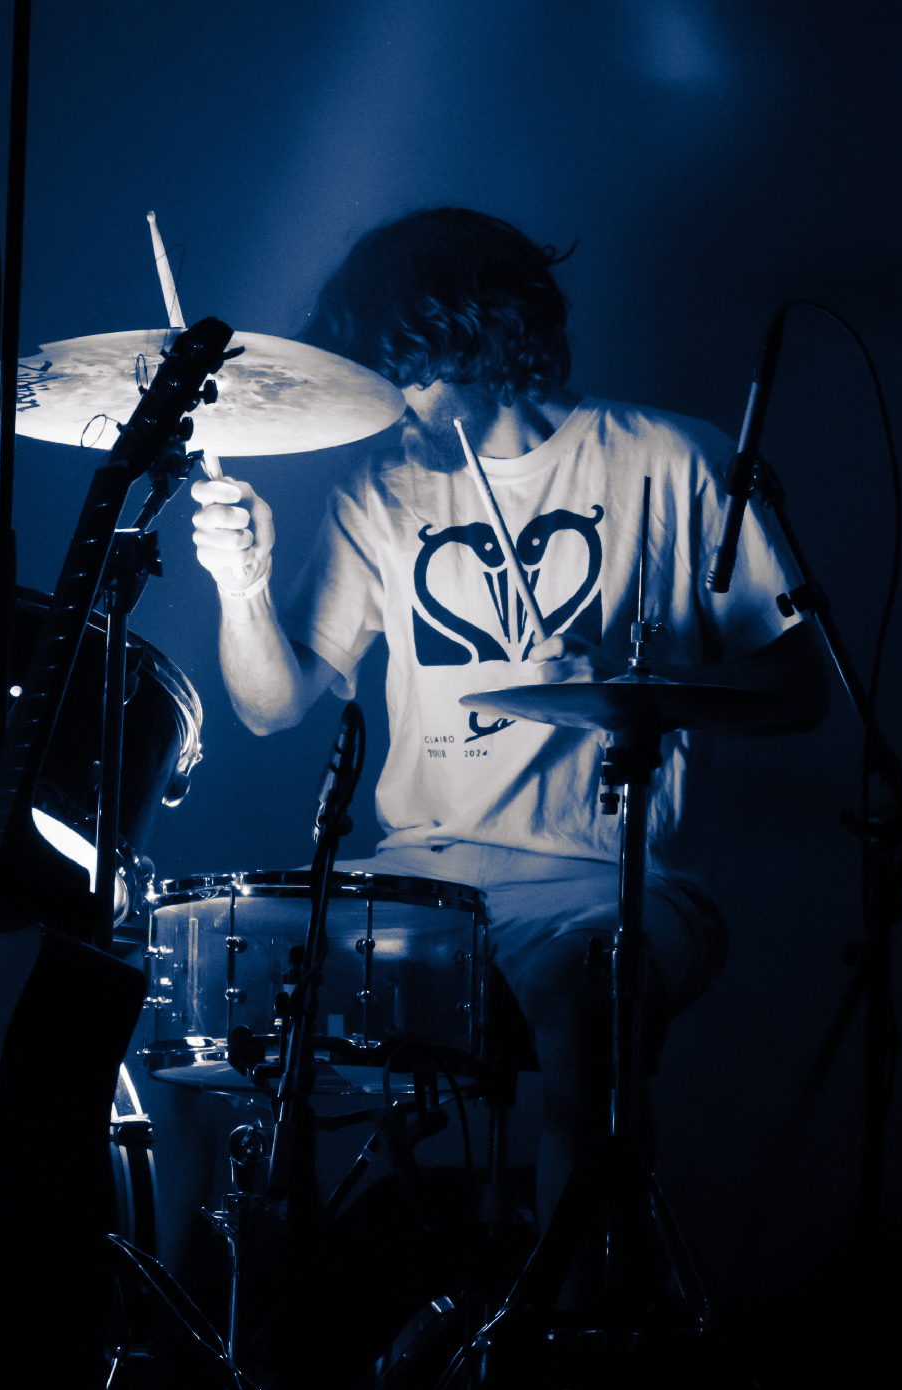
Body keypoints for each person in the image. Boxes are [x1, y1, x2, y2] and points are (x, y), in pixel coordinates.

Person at [190, 208, 825, 1251]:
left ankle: (577, 1372)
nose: (396, 403)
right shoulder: (380, 488)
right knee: (191, 984)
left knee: (585, 1000)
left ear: (479, 337)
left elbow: (801, 686)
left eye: (411, 370)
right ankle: (214, 1355)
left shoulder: (671, 459)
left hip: (618, 881)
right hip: (419, 881)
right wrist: (241, 585)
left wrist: (642, 680)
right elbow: (271, 705)